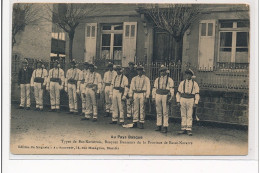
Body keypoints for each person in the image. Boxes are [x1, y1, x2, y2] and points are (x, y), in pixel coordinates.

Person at [176, 69, 200, 136]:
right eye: (187, 74)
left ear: (191, 76)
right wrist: (178, 101)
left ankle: (189, 129)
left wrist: (196, 102)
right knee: (183, 114)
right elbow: (178, 93)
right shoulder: (182, 83)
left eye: (189, 74)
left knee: (189, 114)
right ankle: (183, 128)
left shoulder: (195, 84)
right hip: (183, 99)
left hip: (190, 99)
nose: (188, 76)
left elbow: (197, 94)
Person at [152, 65, 174, 133]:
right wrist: (153, 96)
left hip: (165, 95)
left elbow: (171, 89)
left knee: (165, 111)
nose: (162, 72)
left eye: (163, 71)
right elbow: (154, 88)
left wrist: (170, 97)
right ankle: (159, 125)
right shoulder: (157, 79)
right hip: (158, 95)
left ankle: (165, 126)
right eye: (161, 71)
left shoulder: (170, 80)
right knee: (158, 111)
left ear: (166, 72)